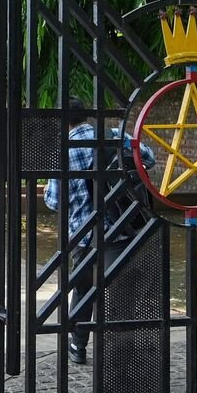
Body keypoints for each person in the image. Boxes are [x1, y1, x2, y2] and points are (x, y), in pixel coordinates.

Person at [44, 97, 154, 365]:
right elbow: (148, 159)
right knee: (121, 292)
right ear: (87, 115)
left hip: (84, 235)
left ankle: (78, 345)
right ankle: (120, 351)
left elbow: (54, 200)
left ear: (63, 122)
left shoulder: (64, 150)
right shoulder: (115, 135)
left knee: (83, 290)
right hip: (121, 228)